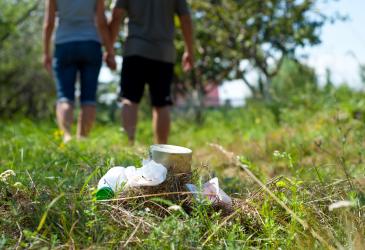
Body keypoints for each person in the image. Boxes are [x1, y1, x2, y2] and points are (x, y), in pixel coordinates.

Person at [108, 0, 195, 144]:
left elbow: (116, 15)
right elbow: (185, 19)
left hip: (135, 50)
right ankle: (161, 151)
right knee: (162, 103)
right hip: (164, 53)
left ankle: (128, 144)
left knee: (129, 99)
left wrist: (110, 48)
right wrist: (189, 50)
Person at [43, 0, 116, 143]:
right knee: (88, 98)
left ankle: (67, 137)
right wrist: (110, 51)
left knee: (64, 97)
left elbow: (48, 24)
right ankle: (83, 139)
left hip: (64, 44)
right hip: (90, 43)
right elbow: (101, 23)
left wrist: (46, 53)